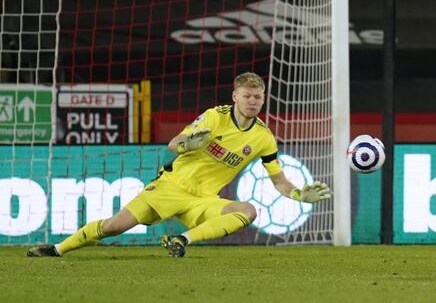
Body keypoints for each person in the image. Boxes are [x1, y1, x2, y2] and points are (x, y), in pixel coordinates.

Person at [27, 72, 331, 258]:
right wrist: (189, 143)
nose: (253, 101)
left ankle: (181, 240)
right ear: (235, 96)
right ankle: (57, 249)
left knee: (248, 211)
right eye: (247, 96)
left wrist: (298, 195)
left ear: (263, 99)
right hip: (170, 188)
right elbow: (175, 144)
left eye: (258, 97)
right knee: (113, 227)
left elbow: (278, 180)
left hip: (201, 200)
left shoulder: (264, 137)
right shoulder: (214, 117)